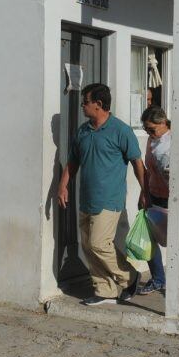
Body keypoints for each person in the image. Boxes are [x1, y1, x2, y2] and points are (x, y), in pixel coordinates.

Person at [57, 83, 146, 306]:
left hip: (109, 199)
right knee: (87, 246)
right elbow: (73, 162)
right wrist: (63, 186)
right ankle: (104, 290)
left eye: (85, 102)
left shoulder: (121, 130)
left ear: (98, 104)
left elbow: (137, 163)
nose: (82, 106)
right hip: (86, 198)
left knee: (99, 243)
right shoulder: (83, 131)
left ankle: (130, 277)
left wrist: (145, 191)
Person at [137, 106, 179, 295]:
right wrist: (144, 192)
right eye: (146, 130)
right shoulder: (152, 141)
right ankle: (158, 278)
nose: (149, 133)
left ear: (164, 123)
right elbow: (148, 168)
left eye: (152, 129)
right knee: (149, 238)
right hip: (157, 196)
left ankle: (177, 285)